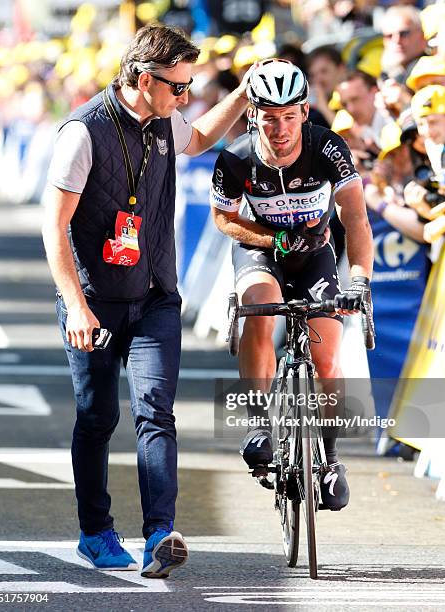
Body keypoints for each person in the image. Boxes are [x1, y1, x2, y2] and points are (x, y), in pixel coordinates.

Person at [42, 24, 250, 579]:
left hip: (155, 294)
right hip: (94, 299)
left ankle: (160, 532)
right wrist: (76, 306)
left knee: (156, 410)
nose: (185, 98)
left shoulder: (163, 122)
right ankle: (95, 532)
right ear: (141, 78)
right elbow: (53, 227)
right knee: (98, 416)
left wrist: (244, 93)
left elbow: (199, 137)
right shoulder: (83, 133)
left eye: (188, 87)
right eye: (177, 88)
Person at [210, 59, 373, 511]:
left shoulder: (328, 148)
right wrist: (273, 236)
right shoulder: (236, 158)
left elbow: (355, 218)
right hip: (261, 249)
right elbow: (223, 218)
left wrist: (359, 279)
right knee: (260, 306)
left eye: (288, 116)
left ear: (303, 112)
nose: (279, 128)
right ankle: (260, 422)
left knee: (326, 352)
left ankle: (332, 459)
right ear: (252, 115)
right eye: (268, 117)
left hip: (315, 254)